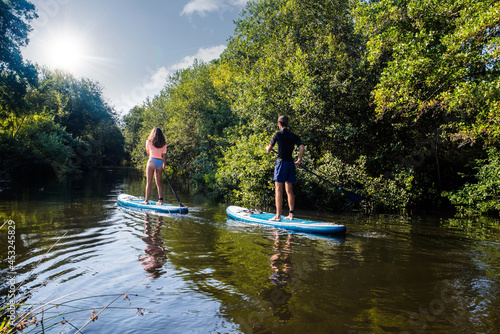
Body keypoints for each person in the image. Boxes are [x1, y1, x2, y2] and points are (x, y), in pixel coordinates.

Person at [265, 115, 305, 221]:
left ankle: (278, 216)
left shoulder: (277, 134)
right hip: (290, 164)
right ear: (286, 124)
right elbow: (302, 148)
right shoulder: (293, 136)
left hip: (281, 164)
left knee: (278, 189)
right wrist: (299, 160)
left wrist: (266, 148)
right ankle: (291, 214)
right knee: (289, 190)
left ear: (279, 123)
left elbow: (269, 149)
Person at [141, 127, 167, 205]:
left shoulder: (149, 141)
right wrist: (164, 165)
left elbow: (148, 152)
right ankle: (161, 200)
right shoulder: (163, 143)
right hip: (160, 162)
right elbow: (164, 156)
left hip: (152, 161)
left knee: (149, 182)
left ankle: (146, 201)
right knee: (159, 183)